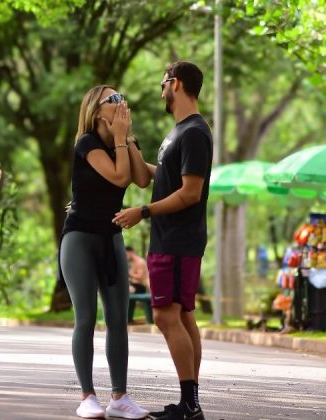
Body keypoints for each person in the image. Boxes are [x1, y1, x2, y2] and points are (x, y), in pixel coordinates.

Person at [113, 61, 212, 420]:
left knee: (165, 314)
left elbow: (190, 193)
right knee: (182, 315)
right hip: (172, 238)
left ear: (177, 84)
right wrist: (126, 142)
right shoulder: (179, 132)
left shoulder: (195, 133)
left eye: (163, 83)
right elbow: (153, 178)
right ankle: (191, 403)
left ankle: (189, 404)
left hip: (177, 238)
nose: (160, 90)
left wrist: (144, 211)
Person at [60, 85, 151, 419]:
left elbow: (141, 178)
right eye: (113, 99)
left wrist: (129, 140)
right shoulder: (87, 143)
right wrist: (120, 139)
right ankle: (87, 396)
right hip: (80, 239)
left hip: (112, 239)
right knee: (86, 317)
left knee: (118, 320)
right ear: (97, 111)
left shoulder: (124, 142)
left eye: (122, 96)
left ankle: (120, 398)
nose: (121, 102)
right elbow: (118, 176)